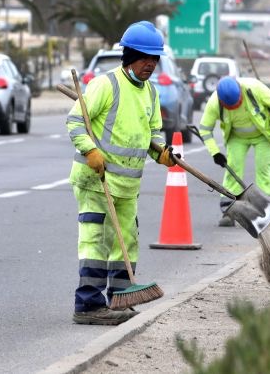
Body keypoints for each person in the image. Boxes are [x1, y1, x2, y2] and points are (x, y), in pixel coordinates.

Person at [66, 21, 176, 325]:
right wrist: (91, 151)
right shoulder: (106, 84)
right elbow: (75, 122)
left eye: (154, 59)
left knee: (125, 241)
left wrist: (162, 151)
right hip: (96, 180)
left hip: (127, 185)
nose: (150, 65)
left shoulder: (150, 93)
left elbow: (152, 133)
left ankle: (119, 299)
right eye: (144, 58)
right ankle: (87, 305)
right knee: (96, 240)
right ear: (129, 56)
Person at [199, 76, 270, 227]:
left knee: (264, 169)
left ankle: (267, 209)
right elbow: (205, 129)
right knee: (233, 168)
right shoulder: (214, 103)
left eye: (237, 103)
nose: (235, 107)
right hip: (236, 137)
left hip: (264, 135)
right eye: (231, 106)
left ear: (240, 92)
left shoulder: (254, 87)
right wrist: (215, 152)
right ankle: (229, 210)